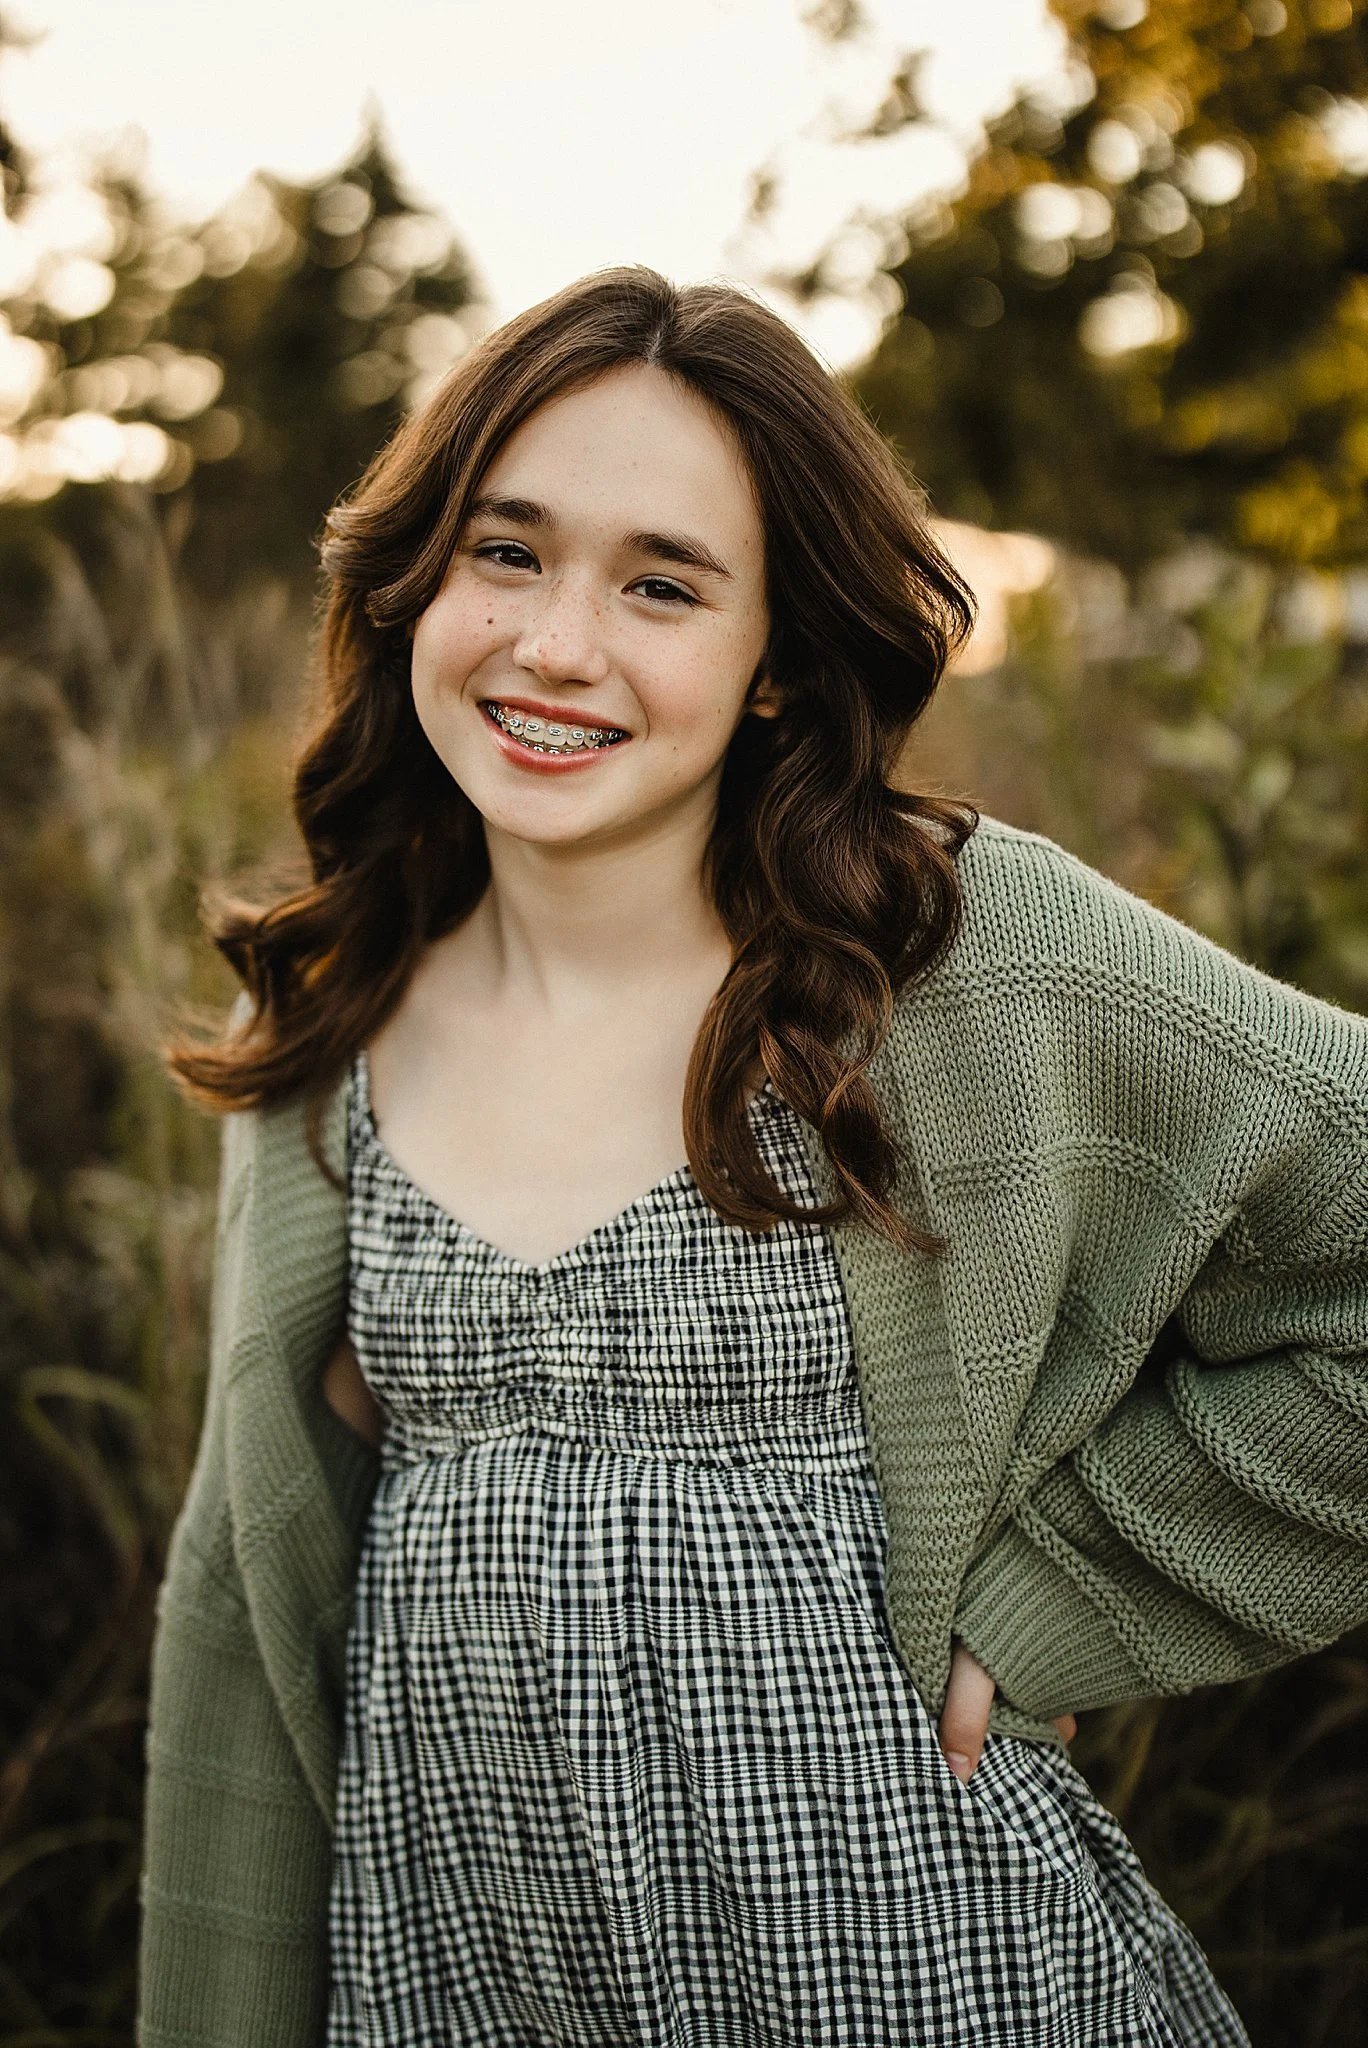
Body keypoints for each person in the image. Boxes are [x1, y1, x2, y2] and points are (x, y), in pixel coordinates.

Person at [140, 266, 1368, 2048]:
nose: (560, 644)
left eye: (662, 584)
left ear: (781, 654)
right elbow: (241, 1643)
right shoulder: (332, 1029)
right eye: (507, 551)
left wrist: (1075, 1592)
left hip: (927, 1983)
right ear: (417, 574)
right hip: (465, 1994)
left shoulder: (954, 960)